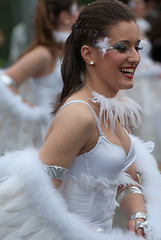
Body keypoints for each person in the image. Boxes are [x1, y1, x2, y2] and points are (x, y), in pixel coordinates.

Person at [0, 1, 161, 239]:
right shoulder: (78, 116)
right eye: (122, 47)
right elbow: (39, 204)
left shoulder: (115, 109)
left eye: (136, 47)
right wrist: (30, 111)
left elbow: (126, 180)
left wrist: (138, 217)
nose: (135, 57)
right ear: (88, 54)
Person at [0, 0, 79, 154]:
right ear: (64, 16)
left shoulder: (68, 50)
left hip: (74, 124)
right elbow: (4, 82)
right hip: (49, 127)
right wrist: (28, 109)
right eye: (75, 9)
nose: (79, 14)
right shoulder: (43, 53)